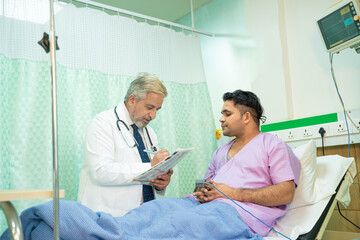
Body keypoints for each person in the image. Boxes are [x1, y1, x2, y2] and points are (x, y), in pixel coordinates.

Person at [193, 89, 301, 237]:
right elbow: (204, 183)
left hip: (233, 215)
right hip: (201, 207)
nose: (221, 119)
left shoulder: (273, 146)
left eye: (227, 114)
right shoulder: (220, 152)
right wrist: (201, 191)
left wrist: (231, 193)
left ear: (246, 117)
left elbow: (286, 193)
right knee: (163, 210)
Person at [78, 73, 173, 217]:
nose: (153, 116)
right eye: (149, 107)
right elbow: (101, 171)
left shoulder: (149, 132)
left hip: (144, 214)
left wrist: (160, 182)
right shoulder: (103, 123)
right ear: (132, 100)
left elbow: (148, 174)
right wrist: (150, 167)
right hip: (107, 215)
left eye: (157, 110)